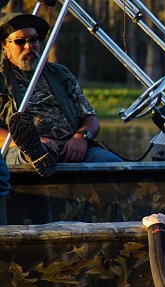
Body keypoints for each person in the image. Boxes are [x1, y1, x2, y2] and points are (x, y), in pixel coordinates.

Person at [0, 13, 121, 177]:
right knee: (34, 154)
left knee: (116, 165)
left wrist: (82, 137)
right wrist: (24, 143)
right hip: (21, 151)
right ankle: (36, 152)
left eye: (33, 40)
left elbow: (90, 118)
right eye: (20, 41)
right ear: (4, 45)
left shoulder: (60, 73)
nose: (28, 46)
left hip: (73, 149)